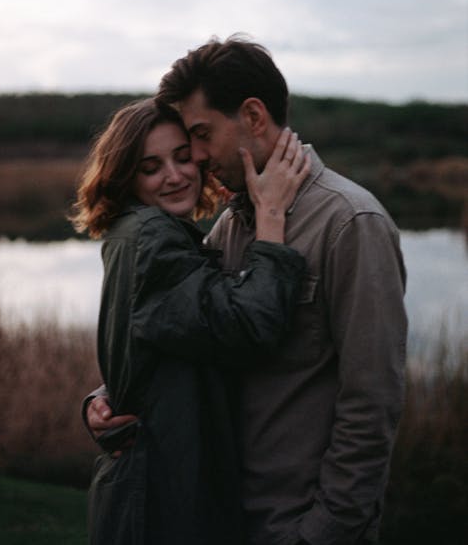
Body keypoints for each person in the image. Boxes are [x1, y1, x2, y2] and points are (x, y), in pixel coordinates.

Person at [86, 37, 408, 545]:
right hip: (222, 514)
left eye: (200, 134)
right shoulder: (235, 222)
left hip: (297, 523)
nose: (194, 156)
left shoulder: (351, 222)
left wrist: (326, 529)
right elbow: (188, 329)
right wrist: (108, 400)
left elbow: (372, 402)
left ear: (254, 116)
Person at [71, 96, 310, 545]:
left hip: (149, 489)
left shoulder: (132, 233)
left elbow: (155, 339)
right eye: (151, 167)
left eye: (184, 158)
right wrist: (271, 217)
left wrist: (102, 398)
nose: (175, 175)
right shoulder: (153, 239)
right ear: (126, 177)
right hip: (161, 502)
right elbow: (248, 327)